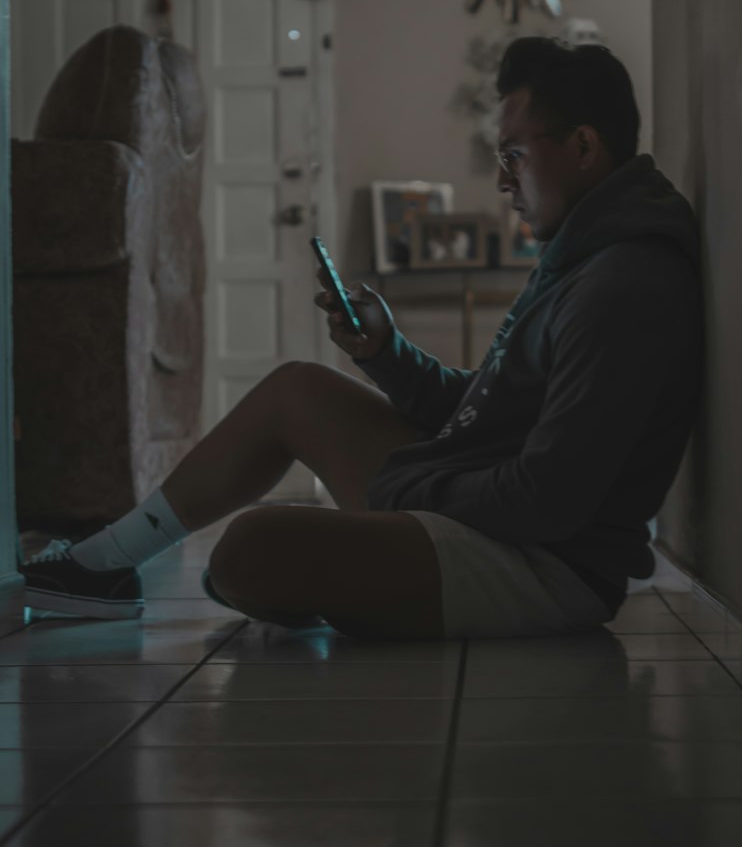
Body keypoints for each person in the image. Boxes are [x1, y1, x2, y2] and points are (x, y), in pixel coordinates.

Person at [22, 37, 704, 642]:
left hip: (543, 566)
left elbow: (550, 500)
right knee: (298, 390)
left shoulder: (624, 283)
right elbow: (487, 411)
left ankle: (338, 582)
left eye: (515, 156)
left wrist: (416, 488)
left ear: (584, 148)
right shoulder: (580, 256)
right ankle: (101, 565)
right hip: (492, 521)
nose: (503, 181)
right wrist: (386, 353)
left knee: (250, 550)